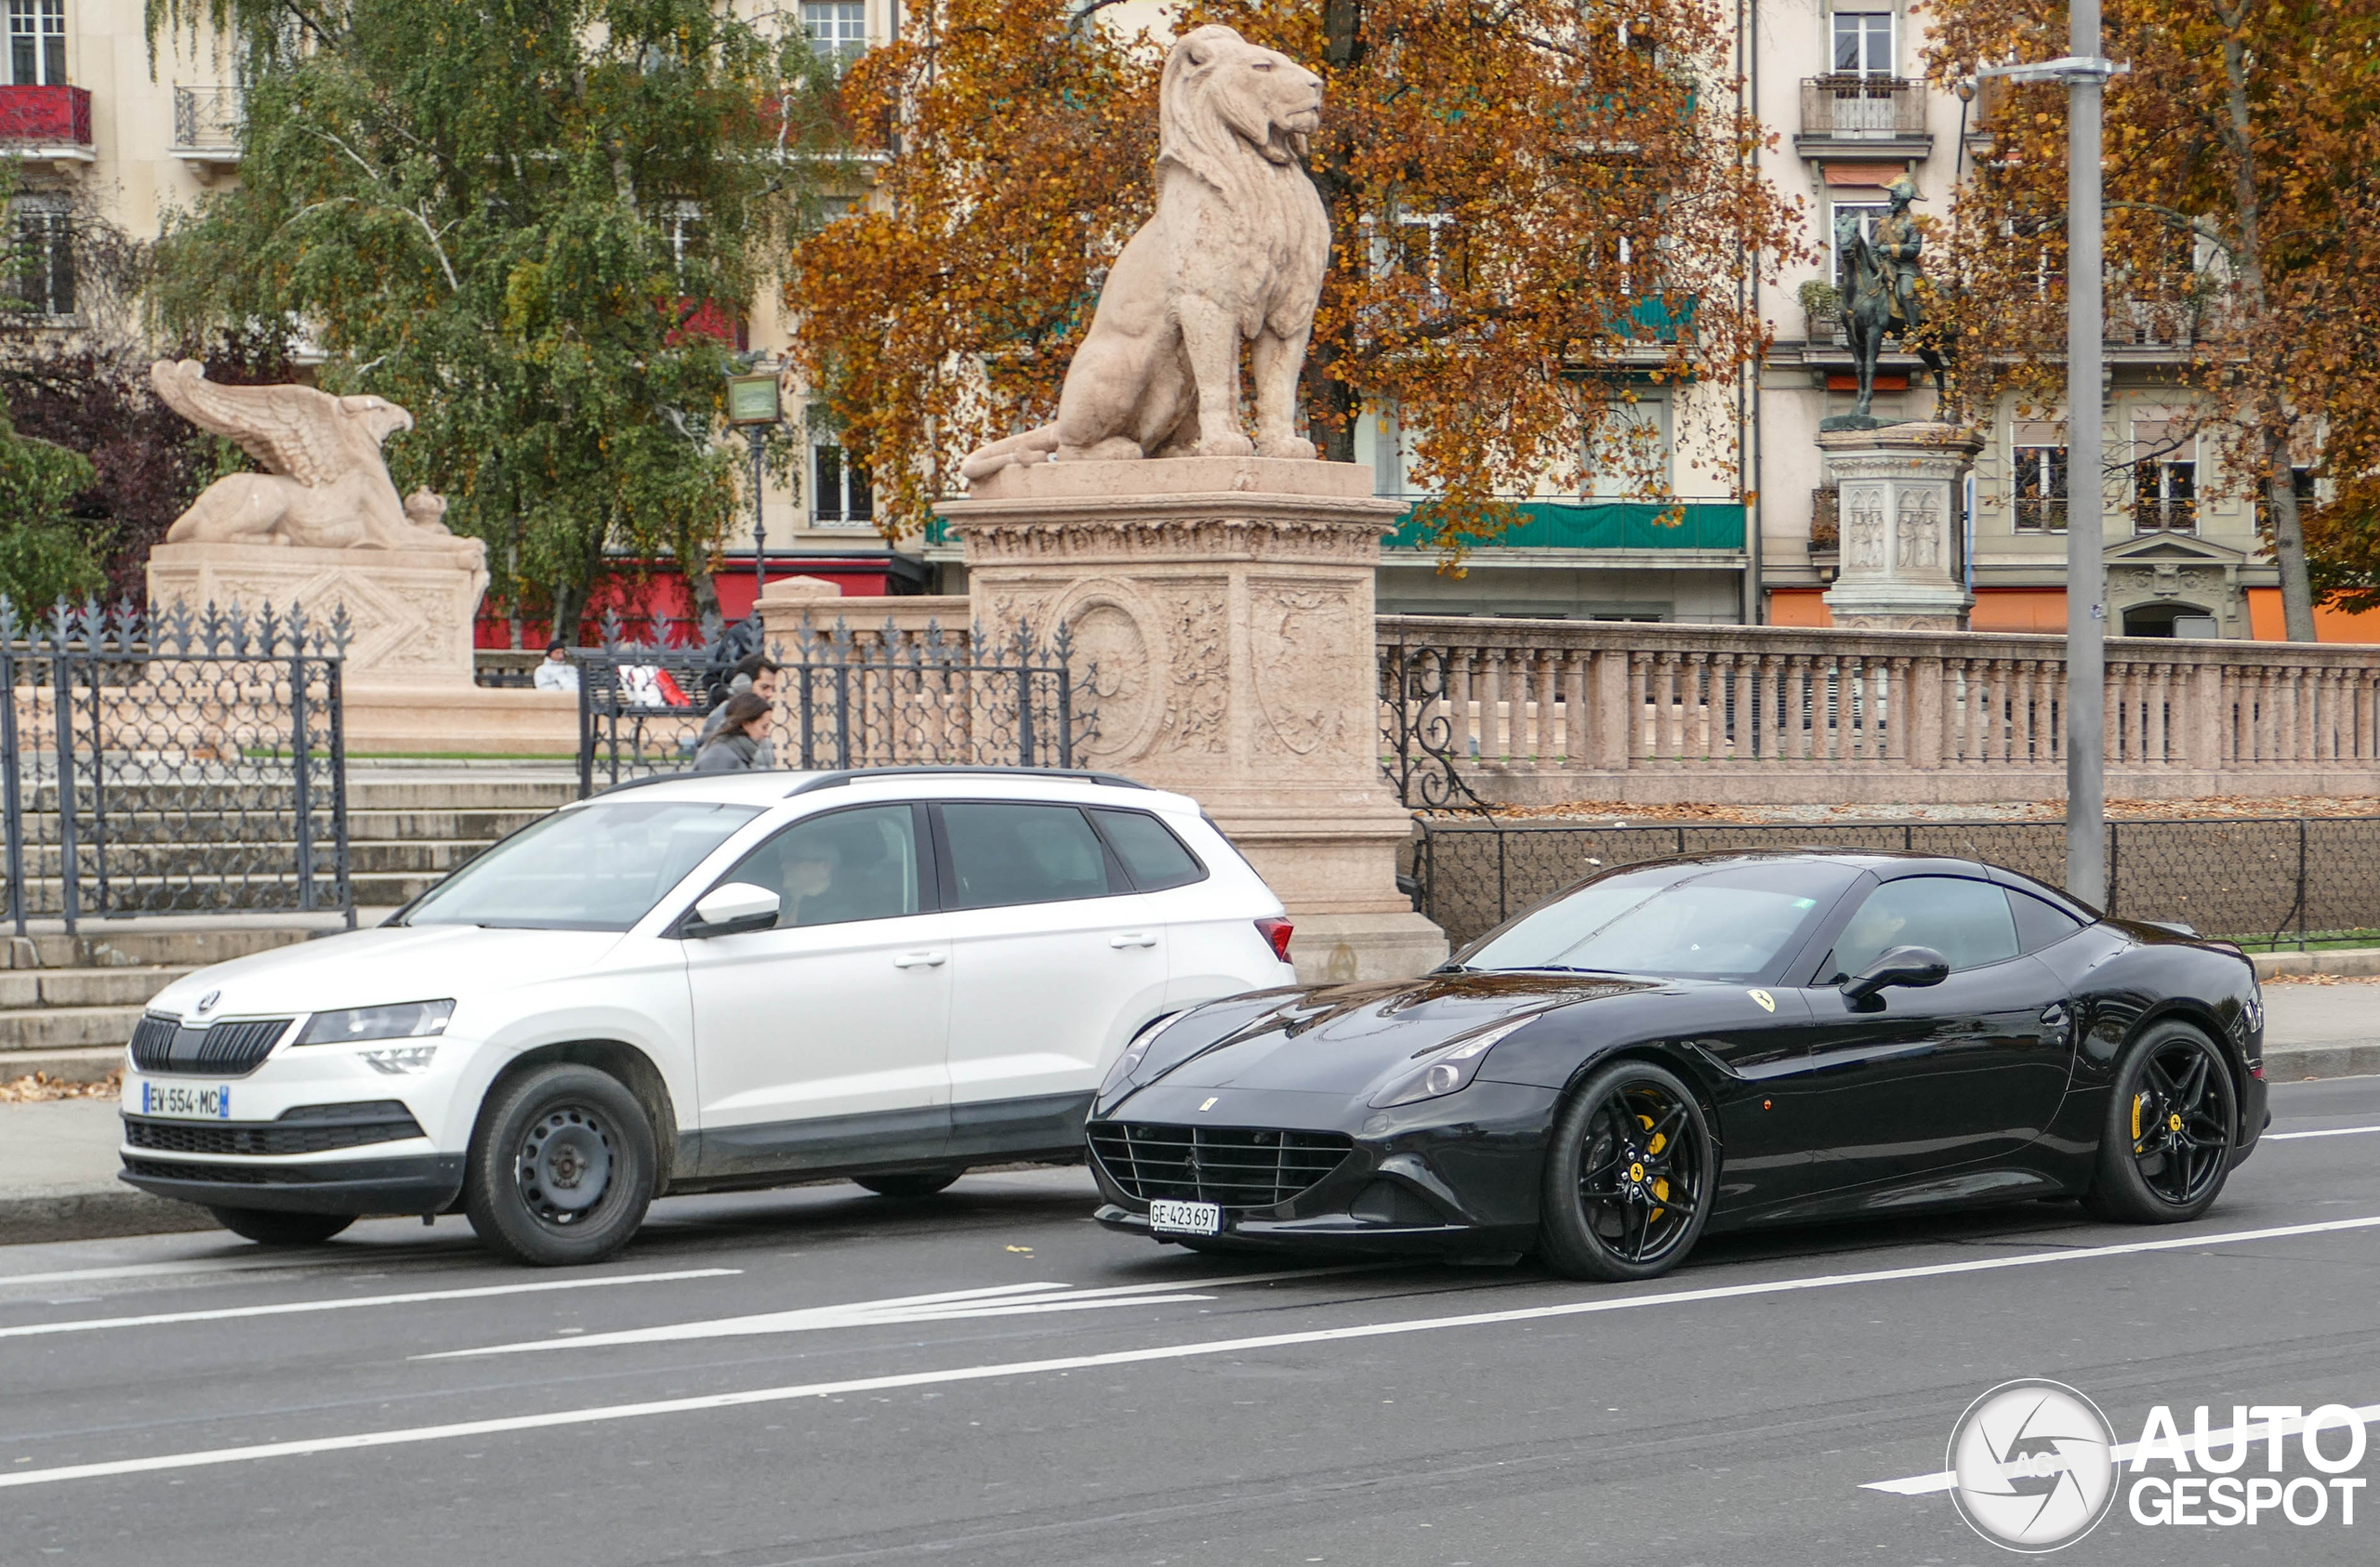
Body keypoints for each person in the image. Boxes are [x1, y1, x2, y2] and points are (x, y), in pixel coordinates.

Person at [698, 653, 782, 744]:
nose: (770, 694)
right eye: (764, 687)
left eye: (773, 689)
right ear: (744, 684)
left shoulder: (761, 716)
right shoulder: (722, 716)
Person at [692, 691, 774, 772]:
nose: (767, 734)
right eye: (764, 727)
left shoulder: (737, 753)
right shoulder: (721, 757)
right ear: (746, 724)